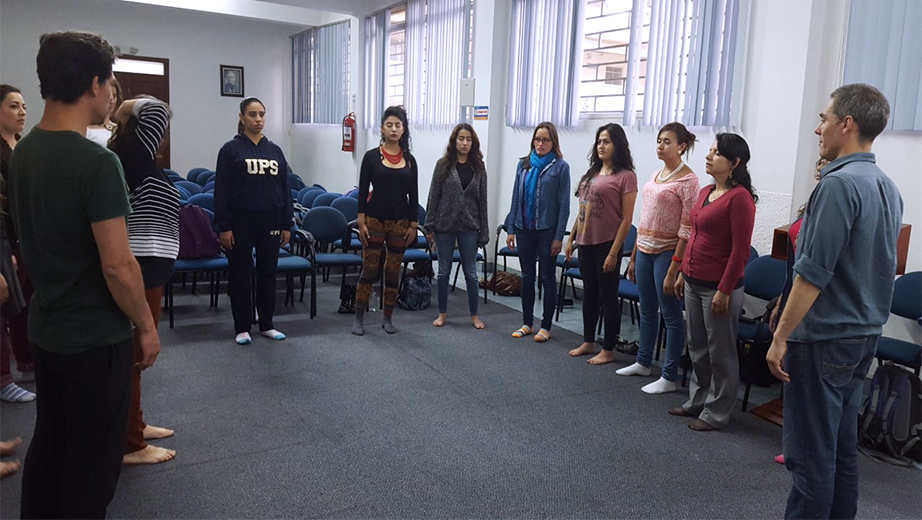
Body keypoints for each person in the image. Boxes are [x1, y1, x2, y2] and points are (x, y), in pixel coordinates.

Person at [9, 31, 160, 518]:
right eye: (111, 78)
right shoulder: (97, 162)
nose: (113, 90)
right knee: (91, 469)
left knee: (50, 448)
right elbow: (118, 265)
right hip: (95, 340)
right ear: (95, 83)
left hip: (47, 330)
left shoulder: (23, 152)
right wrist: (146, 326)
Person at [767, 84, 903, 519]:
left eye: (824, 119)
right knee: (841, 454)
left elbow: (812, 274)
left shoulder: (838, 185)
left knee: (810, 459)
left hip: (823, 340)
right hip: (862, 338)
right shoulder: (886, 186)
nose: (817, 127)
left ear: (847, 124)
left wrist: (780, 336)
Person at [668, 133, 756, 431]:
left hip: (720, 287)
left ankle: (716, 413)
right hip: (694, 280)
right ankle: (697, 402)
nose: (708, 156)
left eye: (716, 153)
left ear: (734, 162)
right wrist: (681, 271)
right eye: (710, 151)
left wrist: (724, 289)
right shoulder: (706, 190)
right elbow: (694, 235)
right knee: (698, 348)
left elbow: (740, 250)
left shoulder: (740, 198)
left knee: (721, 352)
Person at [108, 95, 179, 465]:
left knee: (137, 353)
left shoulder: (135, 157)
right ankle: (131, 444)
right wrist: (121, 109)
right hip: (143, 266)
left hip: (153, 267)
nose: (164, 131)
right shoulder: (132, 154)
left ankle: (135, 424)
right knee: (137, 354)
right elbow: (156, 108)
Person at [619, 122, 700, 393]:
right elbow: (644, 217)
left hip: (667, 253)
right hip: (643, 250)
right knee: (646, 309)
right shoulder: (656, 175)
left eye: (667, 141)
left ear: (682, 146)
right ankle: (643, 361)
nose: (660, 145)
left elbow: (687, 227)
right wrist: (633, 257)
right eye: (659, 141)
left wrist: (674, 267)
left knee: (672, 316)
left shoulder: (689, 181)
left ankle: (668, 375)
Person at [215, 97, 292, 345]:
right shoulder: (230, 150)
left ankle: (267, 323)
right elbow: (222, 190)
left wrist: (286, 223)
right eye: (252, 115)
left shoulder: (275, 150)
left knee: (268, 273)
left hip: (270, 219)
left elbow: (285, 189)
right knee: (241, 273)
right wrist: (224, 226)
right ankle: (242, 326)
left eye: (261, 114)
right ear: (242, 118)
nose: (258, 119)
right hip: (240, 221)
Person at [770, 156, 828, 466]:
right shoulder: (812, 204)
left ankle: (808, 448)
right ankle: (794, 444)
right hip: (793, 296)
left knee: (809, 379)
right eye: (817, 164)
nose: (819, 168)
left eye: (825, 163)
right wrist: (781, 302)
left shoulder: (834, 206)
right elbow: (794, 266)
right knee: (792, 375)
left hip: (816, 306)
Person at [565, 123, 637, 364]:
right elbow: (582, 209)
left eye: (606, 141)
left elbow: (626, 220)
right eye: (599, 141)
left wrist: (614, 253)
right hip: (585, 243)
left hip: (607, 244)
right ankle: (588, 341)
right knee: (590, 295)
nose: (601, 146)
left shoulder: (626, 176)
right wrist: (572, 237)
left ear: (618, 145)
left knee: (608, 297)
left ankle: (607, 348)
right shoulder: (593, 173)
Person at [353, 106, 419, 336]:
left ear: (403, 129)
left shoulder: (410, 160)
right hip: (374, 220)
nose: (393, 129)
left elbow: (414, 196)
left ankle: (387, 318)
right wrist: (361, 222)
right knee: (369, 270)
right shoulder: (371, 157)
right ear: (382, 128)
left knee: (393, 272)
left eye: (397, 125)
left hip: (400, 223)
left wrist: (413, 225)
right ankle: (359, 318)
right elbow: (362, 192)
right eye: (389, 124)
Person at [505, 122, 570, 343]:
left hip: (547, 231)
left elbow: (564, 205)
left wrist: (558, 237)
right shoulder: (523, 165)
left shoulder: (560, 167)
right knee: (526, 277)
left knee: (547, 279)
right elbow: (516, 198)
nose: (540, 143)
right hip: (524, 229)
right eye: (537, 139)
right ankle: (527, 323)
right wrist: (511, 228)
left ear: (553, 143)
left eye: (545, 140)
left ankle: (546, 326)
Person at [426, 123, 489, 329]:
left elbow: (483, 202)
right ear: (454, 141)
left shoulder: (479, 167)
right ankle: (443, 313)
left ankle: (474, 315)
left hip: (470, 226)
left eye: (468, 139)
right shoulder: (442, 165)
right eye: (461, 139)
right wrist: (430, 225)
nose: (465, 143)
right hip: (445, 225)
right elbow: (433, 196)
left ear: (473, 142)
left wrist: (484, 232)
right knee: (443, 271)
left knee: (471, 272)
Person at [0, 83, 35, 403]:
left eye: (23, 106)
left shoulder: (21, 146)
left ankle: (26, 361)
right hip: (6, 239)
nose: (22, 111)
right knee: (6, 307)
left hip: (27, 238)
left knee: (27, 303)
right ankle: (4, 378)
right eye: (13, 106)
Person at [86, 77, 121, 147]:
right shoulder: (86, 128)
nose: (111, 100)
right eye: (109, 95)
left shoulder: (119, 129)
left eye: (114, 96)